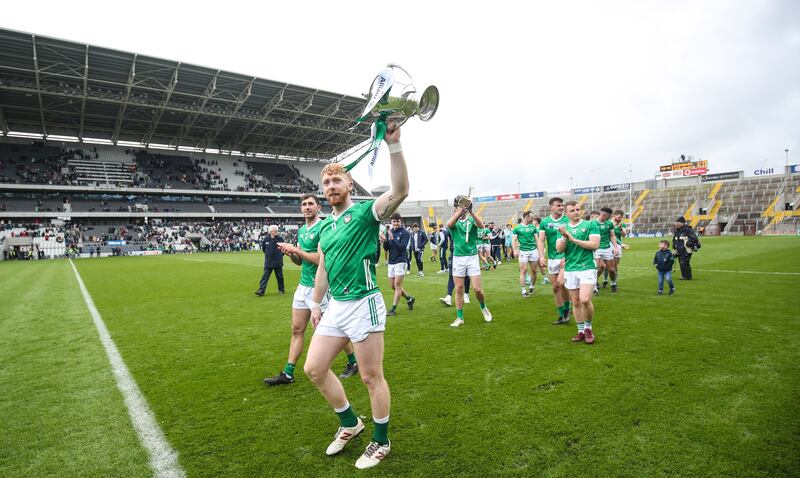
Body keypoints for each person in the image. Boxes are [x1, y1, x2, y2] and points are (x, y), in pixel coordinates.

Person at [303, 122, 407, 469]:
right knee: (314, 368)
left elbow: (401, 191)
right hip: (335, 307)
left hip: (364, 303)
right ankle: (350, 423)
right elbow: (323, 269)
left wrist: (393, 146)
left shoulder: (365, 213)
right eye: (326, 183)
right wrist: (316, 303)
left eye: (337, 180)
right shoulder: (325, 227)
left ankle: (381, 441)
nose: (332, 186)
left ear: (349, 184)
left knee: (369, 377)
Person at [264, 194, 358, 386]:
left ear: (318, 207)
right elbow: (300, 262)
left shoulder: (323, 227)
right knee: (297, 329)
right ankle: (288, 373)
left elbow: (319, 259)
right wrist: (291, 253)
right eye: (304, 204)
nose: (307, 207)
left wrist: (296, 250)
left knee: (329, 329)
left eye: (310, 204)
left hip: (320, 287)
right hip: (303, 286)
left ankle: (353, 362)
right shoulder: (301, 230)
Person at [556, 200, 601, 344]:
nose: (576, 212)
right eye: (572, 210)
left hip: (586, 267)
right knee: (575, 302)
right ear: (566, 214)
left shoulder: (590, 224)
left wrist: (573, 239)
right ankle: (580, 331)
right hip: (570, 269)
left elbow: (594, 245)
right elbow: (559, 249)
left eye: (577, 209)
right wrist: (564, 236)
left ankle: (588, 328)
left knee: (585, 300)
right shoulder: (563, 228)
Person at [446, 197, 492, 327]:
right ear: (455, 209)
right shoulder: (453, 222)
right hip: (458, 258)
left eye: (463, 207)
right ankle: (460, 317)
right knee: (459, 288)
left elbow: (482, 226)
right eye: (459, 207)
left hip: (471, 257)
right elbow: (449, 225)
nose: (462, 209)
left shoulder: (471, 219)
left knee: (477, 289)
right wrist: (459, 213)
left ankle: (483, 307)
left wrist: (471, 212)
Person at [538, 197, 572, 325]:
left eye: (562, 205)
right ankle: (561, 313)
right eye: (558, 205)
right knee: (555, 287)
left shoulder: (567, 220)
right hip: (552, 258)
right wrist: (541, 256)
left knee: (561, 283)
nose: (561, 207)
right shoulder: (545, 222)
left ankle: (567, 309)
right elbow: (541, 240)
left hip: (565, 256)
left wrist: (564, 256)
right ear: (551, 207)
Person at [381, 213, 416, 316]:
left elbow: (402, 248)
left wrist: (392, 239)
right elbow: (387, 248)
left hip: (401, 261)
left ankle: (393, 309)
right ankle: (409, 298)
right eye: (394, 221)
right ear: (391, 222)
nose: (396, 223)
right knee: (393, 286)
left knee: (397, 285)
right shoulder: (389, 232)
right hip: (391, 261)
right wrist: (384, 241)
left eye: (397, 221)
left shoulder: (405, 233)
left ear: (401, 221)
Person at [592, 207, 620, 293]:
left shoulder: (609, 224)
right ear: (604, 214)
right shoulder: (592, 223)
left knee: (611, 270)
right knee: (597, 267)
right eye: (608, 216)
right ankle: (594, 286)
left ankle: (613, 283)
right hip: (596, 248)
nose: (609, 217)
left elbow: (612, 236)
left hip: (607, 248)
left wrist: (615, 247)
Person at [512, 211, 539, 298]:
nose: (532, 219)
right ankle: (524, 291)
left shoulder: (533, 227)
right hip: (523, 251)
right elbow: (514, 240)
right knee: (523, 270)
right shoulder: (517, 228)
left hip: (533, 250)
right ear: (526, 217)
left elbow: (537, 239)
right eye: (531, 217)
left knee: (534, 270)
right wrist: (515, 250)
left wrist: (540, 252)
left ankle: (531, 286)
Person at [255, 225, 285, 296]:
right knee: (264, 277)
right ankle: (261, 290)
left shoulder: (280, 239)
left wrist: (280, 256)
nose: (276, 231)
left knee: (279, 277)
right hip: (268, 262)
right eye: (275, 230)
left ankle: (281, 290)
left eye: (277, 230)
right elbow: (264, 249)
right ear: (271, 231)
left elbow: (284, 249)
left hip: (278, 262)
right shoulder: (266, 239)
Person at [610, 210, 627, 282]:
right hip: (609, 244)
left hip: (618, 246)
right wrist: (620, 243)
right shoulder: (609, 223)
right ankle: (605, 280)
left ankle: (614, 282)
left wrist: (620, 228)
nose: (620, 219)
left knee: (615, 266)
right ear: (614, 215)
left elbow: (624, 235)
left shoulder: (622, 224)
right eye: (619, 217)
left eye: (621, 217)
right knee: (607, 266)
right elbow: (610, 235)